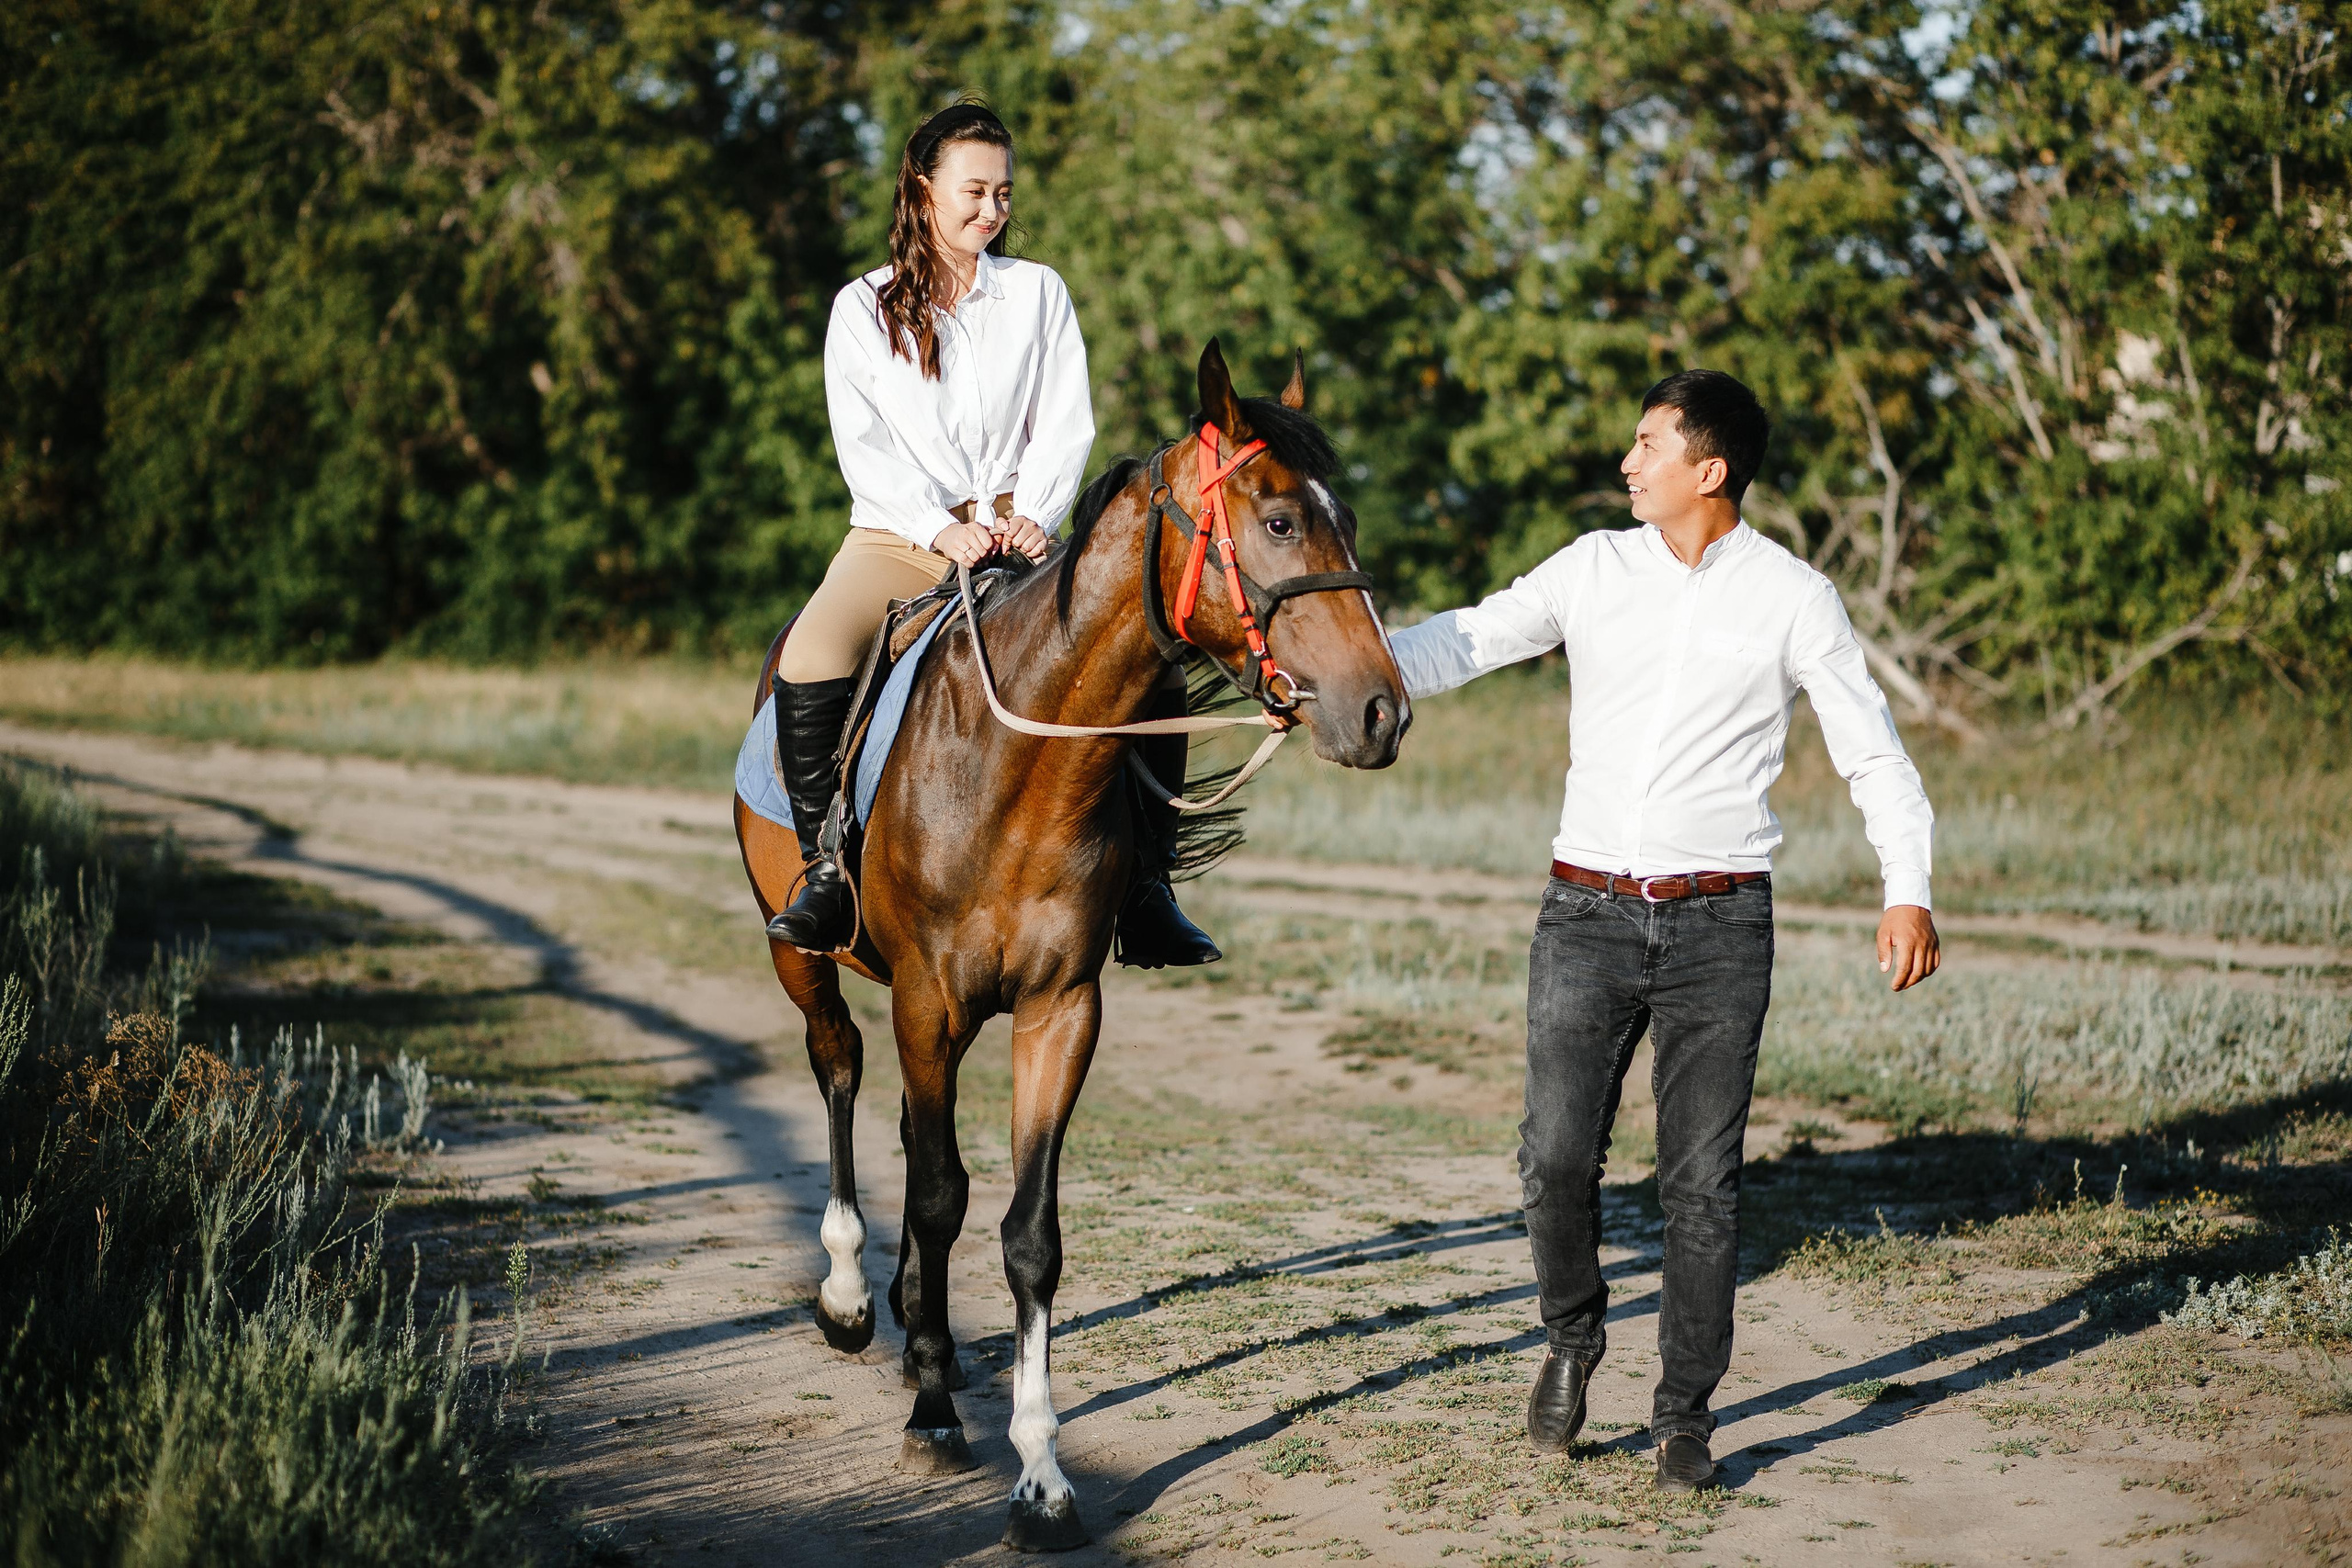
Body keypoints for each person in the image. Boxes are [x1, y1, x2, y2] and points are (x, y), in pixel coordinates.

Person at [1387, 369, 1941, 1491]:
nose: (1626, 463)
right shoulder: (1592, 566)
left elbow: (1868, 746)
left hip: (1720, 924)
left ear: (1710, 468)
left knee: (1702, 1187)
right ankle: (1571, 1337)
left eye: (1647, 444)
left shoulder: (1795, 596)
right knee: (1552, 1164)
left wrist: (1907, 885)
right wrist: (1335, 668)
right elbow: (1467, 641)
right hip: (1583, 913)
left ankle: (1683, 1416)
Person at [766, 101, 1219, 966]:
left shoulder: (1038, 292)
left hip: (1026, 532)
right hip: (899, 536)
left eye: (1004, 193)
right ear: (922, 188)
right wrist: (942, 530)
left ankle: (1149, 887)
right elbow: (864, 447)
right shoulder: (861, 308)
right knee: (812, 653)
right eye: (973, 190)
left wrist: (1032, 516)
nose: (991, 210)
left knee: (1147, 655)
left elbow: (1065, 420)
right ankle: (827, 870)